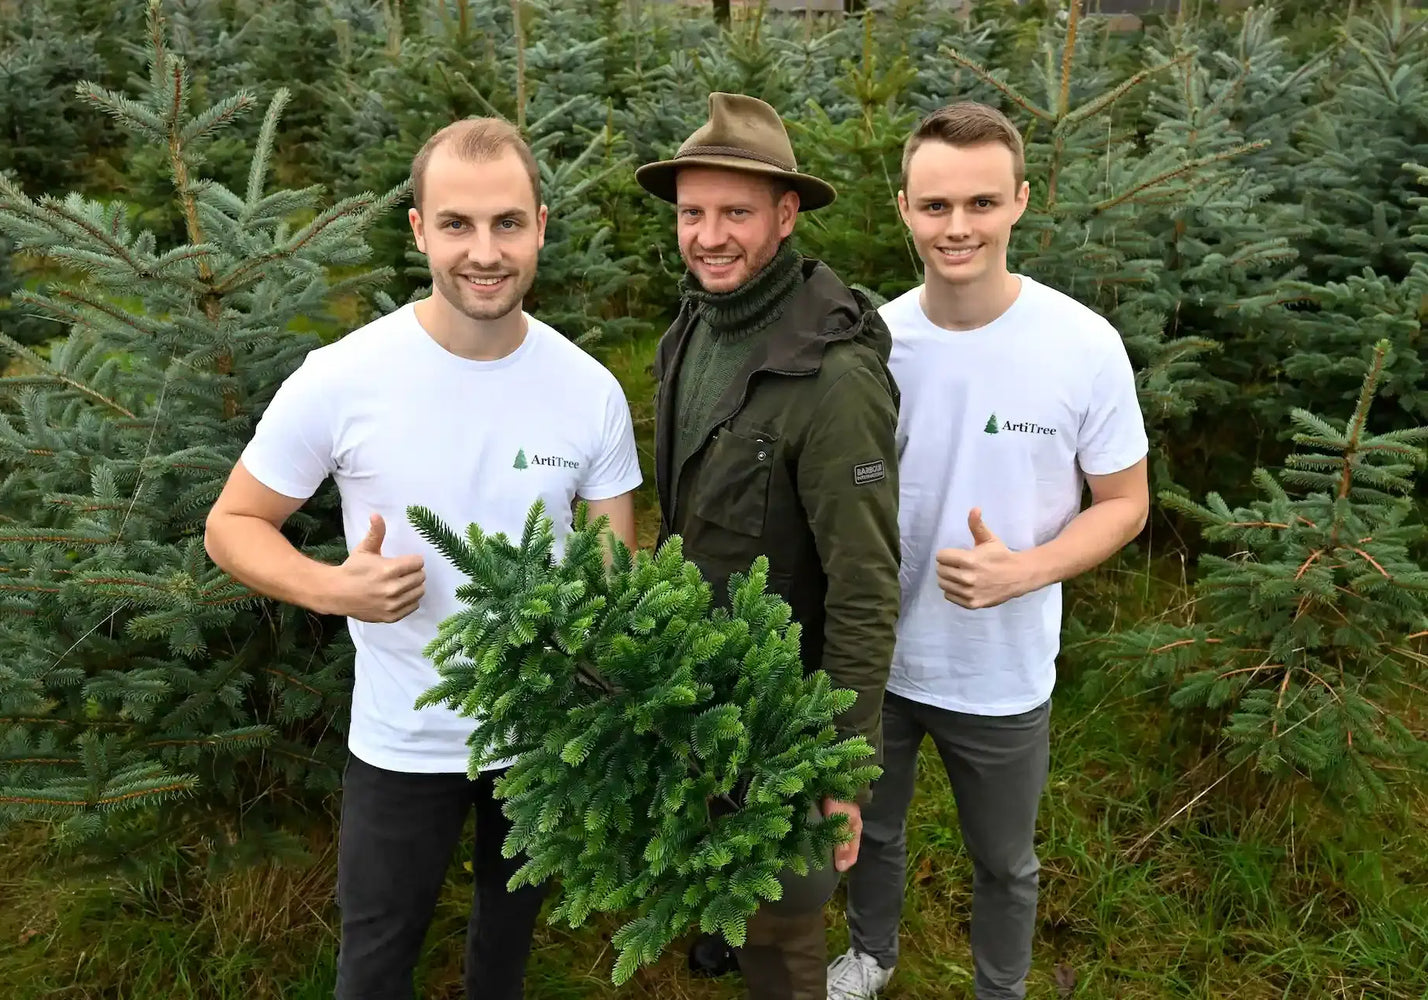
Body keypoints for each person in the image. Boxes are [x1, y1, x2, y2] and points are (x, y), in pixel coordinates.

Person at [203, 116, 642, 1000]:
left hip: (540, 739)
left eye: (508, 224)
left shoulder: (588, 388)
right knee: (373, 963)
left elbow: (610, 563)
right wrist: (331, 587)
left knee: (505, 958)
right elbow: (234, 523)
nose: (485, 251)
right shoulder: (343, 376)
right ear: (419, 231)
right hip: (404, 738)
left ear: (541, 226)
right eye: (458, 225)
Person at [825, 101, 1150, 1000]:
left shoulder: (1083, 346)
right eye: (936, 206)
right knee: (872, 832)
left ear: (1019, 202)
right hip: (881, 660)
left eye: (980, 202)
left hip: (1002, 673)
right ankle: (871, 956)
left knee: (1005, 860)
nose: (957, 226)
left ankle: (998, 988)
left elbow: (1125, 503)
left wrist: (1025, 570)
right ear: (903, 208)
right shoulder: (874, 346)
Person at [635, 92, 901, 1000]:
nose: (709, 236)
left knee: (788, 925)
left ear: (786, 216)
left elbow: (866, 585)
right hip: (701, 671)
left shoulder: (835, 381)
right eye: (693, 213)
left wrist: (842, 766)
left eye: (735, 213)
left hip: (788, 709)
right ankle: (720, 931)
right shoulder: (691, 330)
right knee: (720, 858)